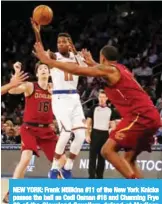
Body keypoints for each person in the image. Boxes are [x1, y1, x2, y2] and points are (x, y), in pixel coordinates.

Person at [34, 42, 161, 179]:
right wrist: (92, 62)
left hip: (140, 116)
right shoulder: (121, 68)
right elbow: (102, 71)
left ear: (103, 58)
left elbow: (78, 70)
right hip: (151, 115)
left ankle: (134, 186)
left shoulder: (110, 70)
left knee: (107, 151)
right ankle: (145, 194)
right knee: (129, 158)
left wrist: (48, 61)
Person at [3, 61, 65, 203]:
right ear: (37, 74)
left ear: (49, 73)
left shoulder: (55, 89)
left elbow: (68, 102)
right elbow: (12, 91)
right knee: (26, 158)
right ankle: (11, 192)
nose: (44, 70)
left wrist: (56, 95)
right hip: (30, 128)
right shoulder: (31, 86)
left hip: (46, 130)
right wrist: (16, 75)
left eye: (46, 68)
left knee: (62, 160)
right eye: (41, 68)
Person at [31, 19, 87, 179]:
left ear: (70, 44)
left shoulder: (77, 58)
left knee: (81, 135)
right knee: (66, 131)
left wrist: (77, 53)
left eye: (64, 41)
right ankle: (54, 168)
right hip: (60, 97)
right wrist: (37, 32)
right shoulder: (53, 56)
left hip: (74, 97)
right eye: (59, 41)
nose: (60, 43)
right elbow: (41, 52)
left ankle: (68, 167)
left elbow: (86, 68)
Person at [86, 89, 115, 179]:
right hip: (95, 133)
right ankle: (91, 177)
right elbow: (88, 122)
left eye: (103, 97)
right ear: (98, 98)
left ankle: (99, 177)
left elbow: (113, 124)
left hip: (105, 135)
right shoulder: (93, 108)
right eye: (100, 97)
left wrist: (112, 134)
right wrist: (87, 134)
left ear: (107, 98)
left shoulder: (110, 110)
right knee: (92, 157)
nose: (101, 99)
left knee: (102, 157)